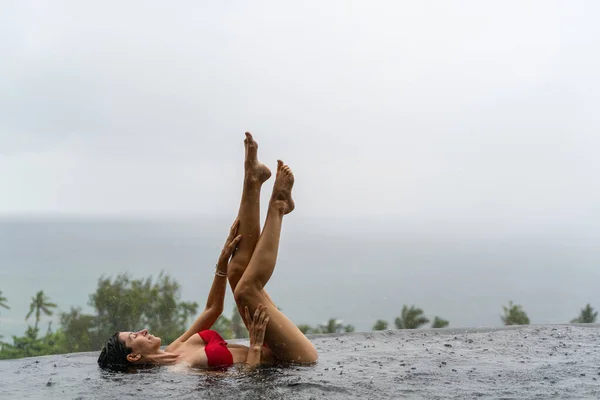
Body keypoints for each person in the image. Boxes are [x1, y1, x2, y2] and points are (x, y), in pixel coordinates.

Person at [97, 133, 318, 371]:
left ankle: (252, 180)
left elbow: (213, 310)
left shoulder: (175, 348)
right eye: (134, 337)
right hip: (294, 358)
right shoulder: (180, 370)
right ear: (133, 357)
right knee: (245, 290)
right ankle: (279, 206)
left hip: (272, 348)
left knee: (235, 272)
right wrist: (254, 347)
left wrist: (221, 264)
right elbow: (246, 386)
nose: (143, 331)